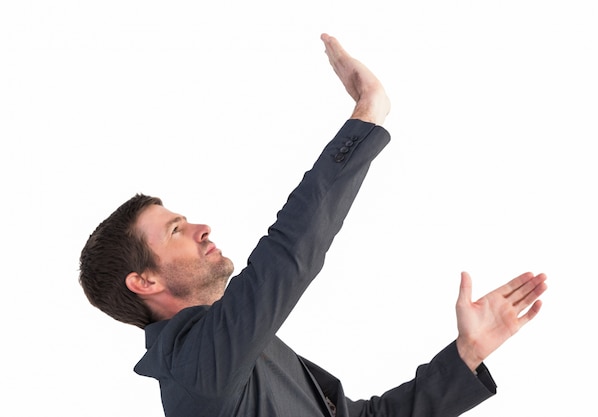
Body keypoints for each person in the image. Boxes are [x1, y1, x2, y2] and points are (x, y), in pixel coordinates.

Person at [79, 33, 547, 417]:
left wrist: (465, 357)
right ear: (145, 280)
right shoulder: (196, 366)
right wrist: (368, 113)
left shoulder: (231, 353)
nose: (202, 228)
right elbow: (289, 254)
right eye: (177, 230)